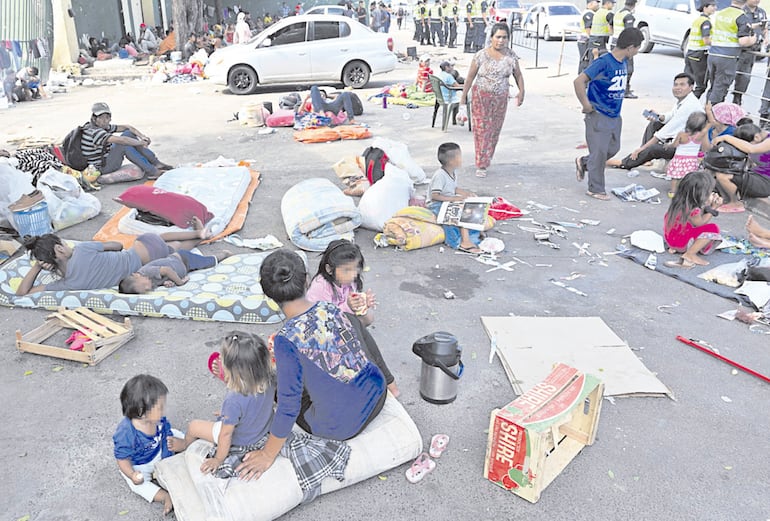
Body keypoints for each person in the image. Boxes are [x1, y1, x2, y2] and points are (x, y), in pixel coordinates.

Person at [233, 249, 392, 480]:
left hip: (341, 426)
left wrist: (267, 454)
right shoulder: (329, 307)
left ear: (267, 293)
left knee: (277, 388)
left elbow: (289, 406)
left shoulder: (285, 340)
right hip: (378, 395)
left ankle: (247, 404)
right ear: (307, 280)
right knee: (315, 368)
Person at [16, 218, 210, 295]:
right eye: (65, 244)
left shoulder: (68, 283)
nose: (68, 246)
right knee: (161, 239)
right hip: (142, 251)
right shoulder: (83, 250)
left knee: (176, 251)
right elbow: (116, 245)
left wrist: (37, 267)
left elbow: (22, 292)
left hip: (149, 264)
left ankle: (198, 237)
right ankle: (199, 234)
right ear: (59, 250)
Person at [182, 332, 276, 478]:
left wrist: (218, 459)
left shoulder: (233, 400)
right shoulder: (270, 378)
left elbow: (226, 434)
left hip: (242, 440)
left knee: (193, 426)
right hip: (263, 430)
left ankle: (184, 447)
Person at [574, 27, 644, 200]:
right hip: (598, 113)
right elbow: (579, 81)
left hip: (614, 114)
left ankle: (583, 162)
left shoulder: (623, 62)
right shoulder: (604, 62)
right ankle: (596, 189)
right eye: (637, 48)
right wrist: (586, 105)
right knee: (599, 154)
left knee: (613, 148)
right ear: (630, 47)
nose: (637, 51)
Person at [113, 375, 186, 515]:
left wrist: (178, 445)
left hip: (158, 448)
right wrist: (132, 474)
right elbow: (122, 459)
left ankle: (189, 441)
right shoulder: (126, 432)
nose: (164, 410)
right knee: (138, 485)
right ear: (142, 412)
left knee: (177, 434)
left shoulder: (158, 419)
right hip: (140, 463)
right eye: (160, 407)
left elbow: (166, 431)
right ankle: (164, 496)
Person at [460, 23, 525, 178]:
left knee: (494, 131)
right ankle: (481, 164)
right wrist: (463, 98)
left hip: (500, 99)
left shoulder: (511, 56)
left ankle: (487, 159)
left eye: (504, 37)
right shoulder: (481, 55)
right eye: (498, 37)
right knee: (482, 130)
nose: (501, 41)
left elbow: (518, 75)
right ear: (491, 38)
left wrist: (522, 91)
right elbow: (470, 77)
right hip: (481, 98)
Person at [607, 73, 702, 171]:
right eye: (676, 84)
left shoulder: (689, 105)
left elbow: (666, 131)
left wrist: (642, 148)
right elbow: (672, 115)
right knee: (655, 123)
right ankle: (644, 158)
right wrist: (660, 117)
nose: (677, 88)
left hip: (685, 145)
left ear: (691, 87)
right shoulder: (686, 99)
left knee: (654, 148)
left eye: (682, 85)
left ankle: (625, 163)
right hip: (680, 138)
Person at [79, 102, 172, 180]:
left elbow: (127, 127)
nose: (105, 121)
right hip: (101, 167)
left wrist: (142, 136)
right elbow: (122, 141)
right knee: (123, 145)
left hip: (106, 158)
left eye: (107, 117)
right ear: (94, 119)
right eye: (101, 117)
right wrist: (141, 143)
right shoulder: (94, 132)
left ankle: (156, 163)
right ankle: (153, 171)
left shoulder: (101, 126)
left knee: (128, 133)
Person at [427, 142, 490, 253]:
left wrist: (466, 194)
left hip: (448, 200)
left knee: (472, 206)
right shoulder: (440, 175)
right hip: (436, 204)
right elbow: (435, 195)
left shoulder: (453, 171)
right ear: (452, 161)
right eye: (459, 156)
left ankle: (476, 232)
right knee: (459, 213)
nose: (462, 159)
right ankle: (462, 242)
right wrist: (454, 199)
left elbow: (453, 188)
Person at [306, 239, 377, 325]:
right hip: (321, 325)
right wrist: (348, 306)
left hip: (340, 319)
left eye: (356, 268)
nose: (353, 275)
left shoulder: (350, 281)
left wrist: (362, 304)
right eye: (346, 270)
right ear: (329, 269)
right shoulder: (320, 287)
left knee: (369, 316)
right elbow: (323, 320)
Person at [663, 170, 723, 268]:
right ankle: (690, 254)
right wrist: (713, 208)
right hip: (681, 243)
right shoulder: (693, 210)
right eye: (709, 192)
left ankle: (674, 248)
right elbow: (700, 224)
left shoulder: (679, 201)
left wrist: (706, 205)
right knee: (713, 228)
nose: (712, 193)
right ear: (700, 194)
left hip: (671, 239)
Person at [712, 122, 770, 211]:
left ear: (757, 137)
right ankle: (727, 199)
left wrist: (726, 137)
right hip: (755, 175)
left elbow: (751, 148)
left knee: (723, 176)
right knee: (719, 171)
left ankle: (735, 203)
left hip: (766, 182)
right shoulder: (759, 140)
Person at [118, 249, 232, 294]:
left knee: (208, 262)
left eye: (144, 286)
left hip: (183, 259)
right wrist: (166, 282)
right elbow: (161, 279)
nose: (148, 287)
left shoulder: (146, 271)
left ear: (136, 275)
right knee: (201, 264)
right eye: (145, 290)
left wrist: (180, 282)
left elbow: (167, 270)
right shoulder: (147, 281)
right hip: (185, 267)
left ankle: (225, 254)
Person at [707, 0, 756, 104]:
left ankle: (707, 111)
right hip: (727, 57)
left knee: (714, 86)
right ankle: (712, 116)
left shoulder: (720, 13)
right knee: (720, 88)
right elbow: (743, 41)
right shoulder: (742, 17)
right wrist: (753, 39)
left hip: (713, 53)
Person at [665, 111, 709, 197]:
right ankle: (685, 192)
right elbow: (704, 148)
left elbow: (675, 145)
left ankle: (673, 192)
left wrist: (668, 145)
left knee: (675, 176)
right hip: (692, 159)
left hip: (679, 158)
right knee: (688, 177)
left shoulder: (682, 134)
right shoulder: (700, 136)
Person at [733, 0, 767, 105]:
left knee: (745, 77)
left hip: (752, 51)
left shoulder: (761, 12)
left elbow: (765, 28)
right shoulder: (740, 10)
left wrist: (766, 37)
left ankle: (737, 100)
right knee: (728, 76)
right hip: (738, 49)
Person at [684, 0, 717, 99]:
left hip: (690, 53)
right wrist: (718, 43)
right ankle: (688, 104)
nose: (715, 8)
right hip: (700, 55)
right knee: (701, 85)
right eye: (712, 6)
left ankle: (682, 103)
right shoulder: (706, 22)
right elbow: (706, 40)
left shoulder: (697, 20)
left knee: (687, 82)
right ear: (705, 7)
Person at [611, 0, 637, 98]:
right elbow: (629, 32)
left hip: (614, 43)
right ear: (634, 5)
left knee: (616, 67)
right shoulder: (628, 16)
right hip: (624, 46)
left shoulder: (618, 13)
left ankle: (616, 87)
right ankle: (625, 90)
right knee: (628, 68)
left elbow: (611, 26)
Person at [577, 0, 600, 74]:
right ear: (590, 4)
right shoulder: (589, 14)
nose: (598, 4)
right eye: (596, 3)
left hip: (585, 41)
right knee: (585, 61)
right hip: (586, 41)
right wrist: (592, 39)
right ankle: (582, 80)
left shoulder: (590, 13)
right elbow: (588, 28)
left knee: (585, 60)